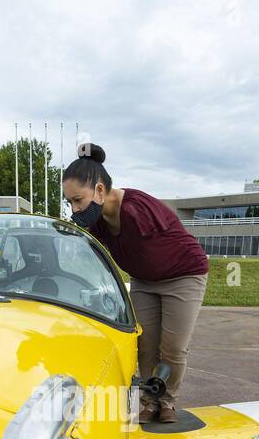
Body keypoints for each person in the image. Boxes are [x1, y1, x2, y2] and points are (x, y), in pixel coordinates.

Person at [62, 143, 209, 424]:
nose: (74, 209)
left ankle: (166, 401)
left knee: (173, 347)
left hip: (183, 275)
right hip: (145, 279)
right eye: (69, 202)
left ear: (100, 190)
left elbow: (143, 249)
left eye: (78, 200)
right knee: (144, 345)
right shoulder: (99, 220)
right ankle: (148, 401)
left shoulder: (136, 210)